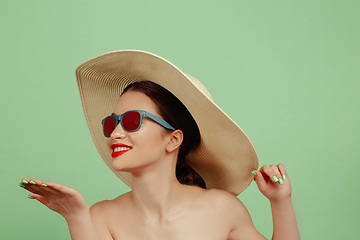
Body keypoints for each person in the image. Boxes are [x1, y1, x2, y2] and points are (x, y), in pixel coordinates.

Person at [19, 50, 300, 240]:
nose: (115, 133)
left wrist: (281, 202)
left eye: (131, 120)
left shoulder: (222, 208)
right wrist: (76, 217)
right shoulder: (102, 216)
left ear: (173, 139)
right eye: (112, 122)